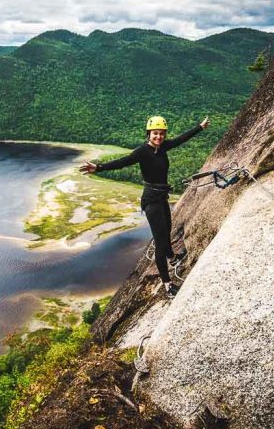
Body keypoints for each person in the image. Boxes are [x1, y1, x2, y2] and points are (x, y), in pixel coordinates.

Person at [80, 115, 210, 299]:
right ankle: (167, 285)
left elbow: (181, 139)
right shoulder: (142, 151)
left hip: (162, 197)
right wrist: (99, 168)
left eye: (162, 134)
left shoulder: (162, 147)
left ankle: (172, 258)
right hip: (151, 200)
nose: (159, 137)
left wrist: (200, 127)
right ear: (149, 134)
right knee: (160, 241)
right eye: (155, 133)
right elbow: (122, 162)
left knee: (168, 230)